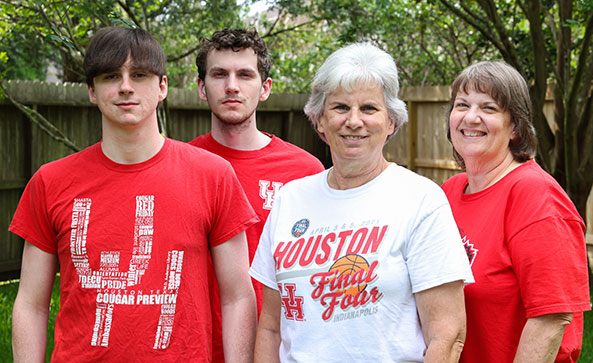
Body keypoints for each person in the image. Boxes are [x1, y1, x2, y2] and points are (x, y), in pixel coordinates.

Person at [10, 26, 257, 362]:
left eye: (139, 74)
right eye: (111, 76)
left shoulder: (212, 176)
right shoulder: (50, 182)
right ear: (92, 91)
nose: (125, 87)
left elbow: (238, 298)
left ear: (162, 87)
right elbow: (30, 304)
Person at [250, 42, 474, 362]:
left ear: (391, 122)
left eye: (369, 108)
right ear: (319, 120)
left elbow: (448, 334)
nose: (354, 121)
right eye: (340, 107)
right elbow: (270, 328)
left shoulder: (421, 200)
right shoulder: (289, 200)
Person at [441, 61, 590, 362]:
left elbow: (551, 319)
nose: (471, 117)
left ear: (514, 127)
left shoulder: (536, 196)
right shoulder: (449, 192)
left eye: (489, 108)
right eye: (462, 104)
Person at [190, 27, 324, 362]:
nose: (232, 86)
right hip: (198, 348)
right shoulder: (182, 167)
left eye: (245, 75)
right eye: (219, 74)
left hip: (281, 350)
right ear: (201, 88)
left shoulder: (304, 171)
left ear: (264, 89)